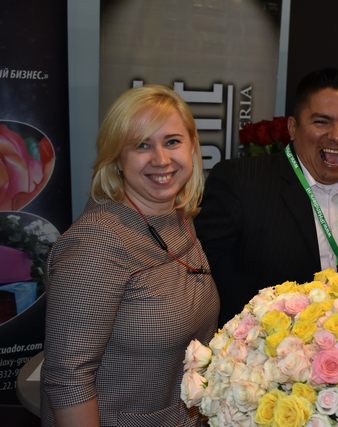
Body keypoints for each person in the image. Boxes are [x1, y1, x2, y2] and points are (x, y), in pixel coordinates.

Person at [41, 85, 219, 426]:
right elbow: (68, 379)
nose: (161, 160)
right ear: (117, 158)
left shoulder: (178, 218)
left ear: (192, 147)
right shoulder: (95, 245)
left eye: (172, 141)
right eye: (141, 145)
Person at [196, 68, 338, 325]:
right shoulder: (241, 182)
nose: (337, 135)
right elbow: (203, 282)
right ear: (292, 127)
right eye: (321, 122)